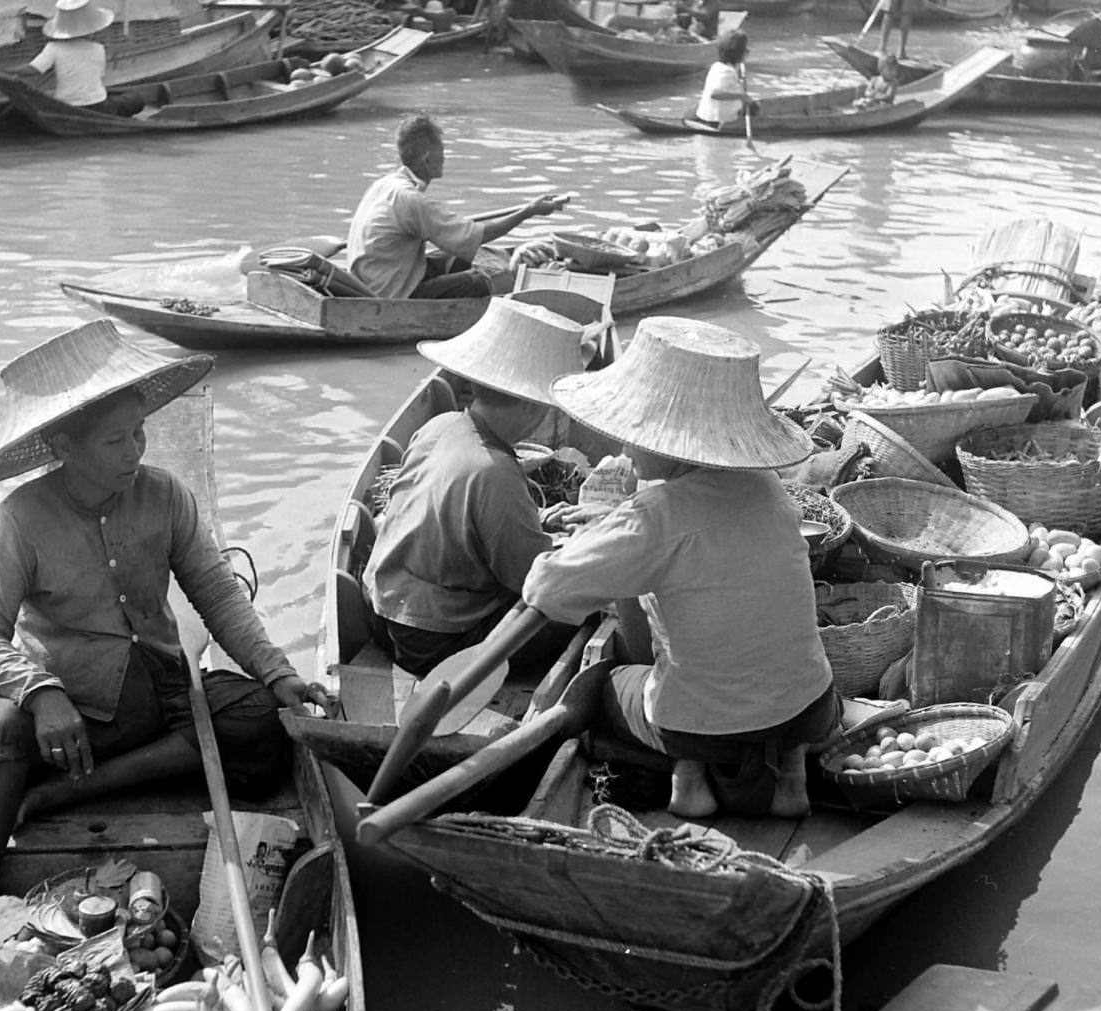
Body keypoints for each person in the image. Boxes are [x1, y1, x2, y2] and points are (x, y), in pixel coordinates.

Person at [0, 320, 316, 904]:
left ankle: (68, 791)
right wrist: (41, 692)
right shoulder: (19, 518)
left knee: (259, 719)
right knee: (0, 726)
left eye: (139, 433)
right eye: (114, 441)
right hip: (70, 709)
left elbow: (218, 595)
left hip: (159, 691)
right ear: (64, 448)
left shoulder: (166, 495)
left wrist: (278, 673)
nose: (134, 451)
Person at [521, 316, 839, 821]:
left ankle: (688, 779)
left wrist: (579, 541)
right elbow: (702, 533)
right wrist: (618, 526)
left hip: (703, 726)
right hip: (810, 708)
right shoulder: (770, 491)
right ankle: (791, 772)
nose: (625, 448)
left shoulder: (656, 517)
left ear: (673, 440)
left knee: (607, 685)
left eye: (635, 435)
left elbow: (548, 588)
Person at [363, 296, 593, 678]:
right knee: (577, 608)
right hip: (434, 643)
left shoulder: (441, 425)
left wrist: (536, 520)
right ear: (535, 406)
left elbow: (450, 515)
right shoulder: (495, 471)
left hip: (380, 612)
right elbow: (529, 579)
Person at [346, 112, 568, 300]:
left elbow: (461, 234)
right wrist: (528, 211)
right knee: (484, 280)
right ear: (427, 159)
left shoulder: (383, 185)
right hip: (392, 293)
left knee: (456, 256)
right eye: (441, 151)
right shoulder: (412, 200)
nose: (444, 157)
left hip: (374, 277)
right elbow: (478, 236)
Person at [20, 0, 145, 116]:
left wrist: (6, 72)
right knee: (135, 99)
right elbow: (98, 76)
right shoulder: (98, 48)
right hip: (98, 105)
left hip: (65, 105)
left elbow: (32, 70)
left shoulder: (53, 47)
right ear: (90, 29)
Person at [693, 30, 751, 128]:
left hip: (712, 116)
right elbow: (715, 94)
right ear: (737, 53)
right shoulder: (726, 71)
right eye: (745, 49)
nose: (748, 51)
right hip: (718, 121)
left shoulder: (717, 66)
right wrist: (742, 96)